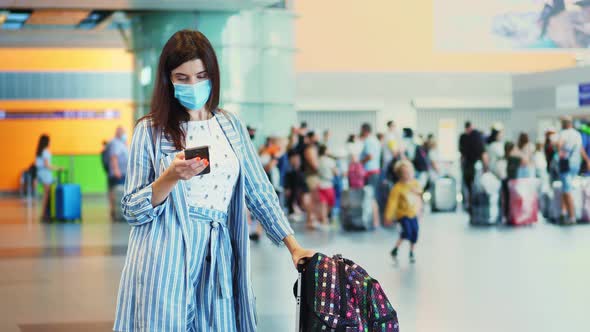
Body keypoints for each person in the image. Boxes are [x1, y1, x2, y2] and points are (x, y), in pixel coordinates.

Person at [113, 30, 315, 332]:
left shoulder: (229, 125)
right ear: (168, 80)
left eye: (201, 75)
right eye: (182, 78)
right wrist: (168, 178)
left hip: (219, 248)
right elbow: (131, 209)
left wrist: (293, 246)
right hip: (165, 252)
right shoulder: (151, 130)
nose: (193, 85)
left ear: (213, 76)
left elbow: (259, 191)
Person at [384, 160, 422, 263]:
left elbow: (420, 193)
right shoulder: (397, 188)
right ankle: (396, 248)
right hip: (403, 214)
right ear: (400, 175)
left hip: (413, 213)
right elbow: (392, 203)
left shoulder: (415, 184)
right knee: (407, 232)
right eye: (405, 173)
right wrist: (388, 216)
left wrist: (417, 193)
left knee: (415, 232)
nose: (408, 175)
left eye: (409, 172)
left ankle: (411, 252)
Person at [557, 116, 583, 224]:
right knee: (565, 187)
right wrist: (587, 160)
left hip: (566, 163)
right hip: (576, 163)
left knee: (567, 189)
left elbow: (559, 144)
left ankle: (572, 216)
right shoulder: (577, 134)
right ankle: (563, 212)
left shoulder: (564, 133)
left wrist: (559, 152)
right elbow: (580, 149)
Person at [360, 123, 383, 227]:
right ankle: (375, 221)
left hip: (370, 172)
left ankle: (375, 222)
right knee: (373, 196)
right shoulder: (375, 140)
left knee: (371, 197)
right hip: (375, 171)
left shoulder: (368, 141)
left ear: (364, 130)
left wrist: (360, 162)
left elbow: (370, 156)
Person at [459, 121, 486, 210]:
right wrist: (486, 166)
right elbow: (483, 152)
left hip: (467, 165)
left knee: (468, 187)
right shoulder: (477, 136)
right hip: (475, 165)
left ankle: (469, 204)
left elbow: (462, 155)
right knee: (475, 186)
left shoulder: (463, 137)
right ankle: (475, 205)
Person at [34, 134, 62, 222]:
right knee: (47, 195)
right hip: (46, 174)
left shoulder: (39, 152)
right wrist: (58, 168)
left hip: (40, 173)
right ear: (46, 142)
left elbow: (37, 164)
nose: (51, 142)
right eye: (49, 140)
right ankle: (44, 215)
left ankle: (46, 214)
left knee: (46, 195)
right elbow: (47, 165)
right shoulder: (46, 152)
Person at [107, 126, 129, 221]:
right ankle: (115, 213)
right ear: (119, 133)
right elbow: (114, 157)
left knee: (119, 192)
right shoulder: (115, 143)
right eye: (123, 132)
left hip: (123, 172)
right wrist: (116, 170)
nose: (124, 134)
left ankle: (119, 212)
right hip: (118, 173)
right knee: (115, 192)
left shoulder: (121, 143)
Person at [317, 144, 338, 225]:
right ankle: (326, 218)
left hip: (320, 183)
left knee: (323, 203)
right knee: (330, 203)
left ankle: (324, 220)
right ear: (325, 151)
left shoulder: (318, 160)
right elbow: (335, 172)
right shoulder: (330, 161)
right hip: (328, 184)